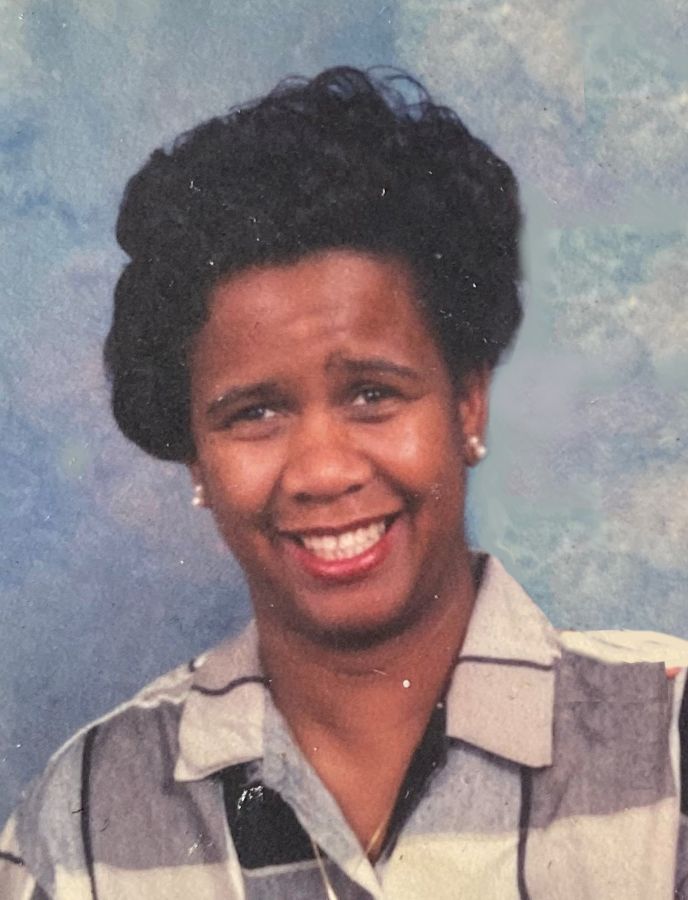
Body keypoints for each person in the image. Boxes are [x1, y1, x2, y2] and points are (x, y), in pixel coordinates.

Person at [1, 66, 687, 900]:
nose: (323, 472)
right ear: (196, 459)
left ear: (467, 403)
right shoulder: (82, 826)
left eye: (372, 394)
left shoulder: (669, 747)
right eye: (254, 412)